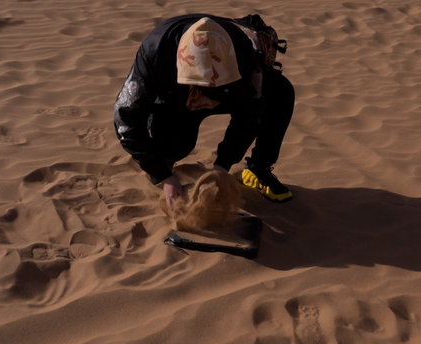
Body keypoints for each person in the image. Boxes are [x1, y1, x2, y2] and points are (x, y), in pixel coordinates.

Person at [113, 13, 294, 210]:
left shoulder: (242, 50)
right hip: (176, 99)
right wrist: (163, 176)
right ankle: (165, 165)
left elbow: (249, 114)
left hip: (229, 90)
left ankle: (258, 169)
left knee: (279, 91)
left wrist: (222, 167)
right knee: (174, 146)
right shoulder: (154, 54)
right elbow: (126, 120)